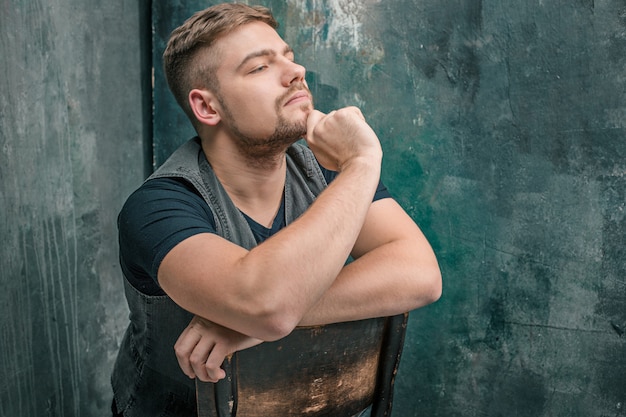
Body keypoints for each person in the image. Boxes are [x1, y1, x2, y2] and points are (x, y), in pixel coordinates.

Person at [111, 3, 442, 417]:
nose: (295, 70)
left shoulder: (327, 171)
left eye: (287, 55)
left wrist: (247, 325)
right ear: (207, 107)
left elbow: (421, 275)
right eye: (259, 68)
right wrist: (362, 162)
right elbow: (268, 306)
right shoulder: (157, 207)